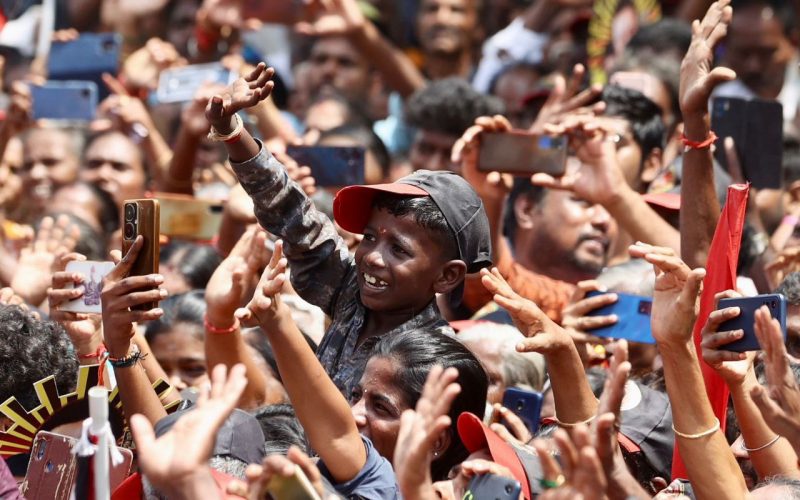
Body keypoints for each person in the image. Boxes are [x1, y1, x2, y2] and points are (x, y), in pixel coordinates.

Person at [203, 63, 492, 396]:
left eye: (398, 249)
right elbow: (291, 212)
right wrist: (231, 131)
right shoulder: (351, 294)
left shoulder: (437, 365)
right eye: (370, 238)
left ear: (447, 276)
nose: (372, 258)